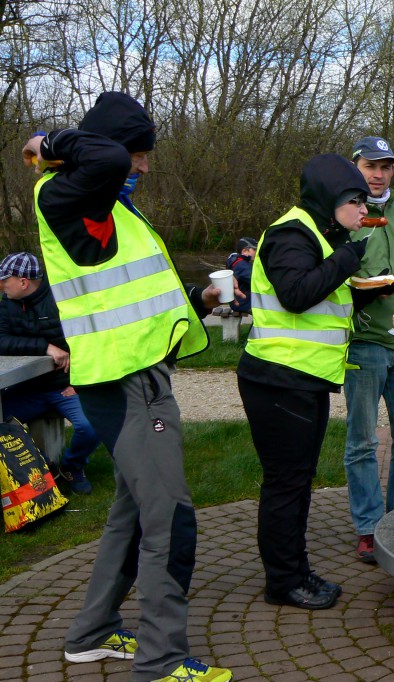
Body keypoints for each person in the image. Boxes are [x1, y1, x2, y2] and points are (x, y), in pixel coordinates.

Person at [24, 92, 231, 681]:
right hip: (121, 384)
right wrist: (50, 142)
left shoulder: (105, 203)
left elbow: (120, 296)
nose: (142, 167)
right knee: (171, 517)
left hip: (138, 375)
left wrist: (201, 301)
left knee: (134, 512)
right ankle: (161, 662)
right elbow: (107, 160)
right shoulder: (66, 192)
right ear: (113, 148)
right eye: (139, 155)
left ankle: (90, 633)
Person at [237, 153, 393, 610]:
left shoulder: (318, 234)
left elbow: (321, 303)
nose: (364, 211)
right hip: (279, 378)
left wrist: (374, 291)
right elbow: (297, 294)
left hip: (302, 379)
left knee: (297, 480)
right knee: (286, 483)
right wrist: (350, 257)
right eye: (355, 201)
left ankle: (294, 570)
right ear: (331, 199)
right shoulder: (291, 233)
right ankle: (283, 582)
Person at [343, 135, 394, 563]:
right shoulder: (346, 215)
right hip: (365, 342)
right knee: (362, 441)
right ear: (355, 168)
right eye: (369, 166)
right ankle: (367, 526)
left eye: (385, 166)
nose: (378, 174)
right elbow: (336, 276)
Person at [0, 251, 101, 494]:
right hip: (26, 389)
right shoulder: (6, 305)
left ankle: (72, 466)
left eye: (5, 279)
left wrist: (80, 383)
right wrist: (45, 347)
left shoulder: (63, 302)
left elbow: (92, 343)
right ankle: (45, 466)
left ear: (23, 282)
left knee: (91, 425)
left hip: (65, 388)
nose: (2, 285)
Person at [226, 237, 257, 313]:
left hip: (239, 301)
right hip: (243, 302)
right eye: (254, 250)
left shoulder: (237, 261)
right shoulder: (241, 265)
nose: (256, 252)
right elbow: (255, 281)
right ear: (245, 251)